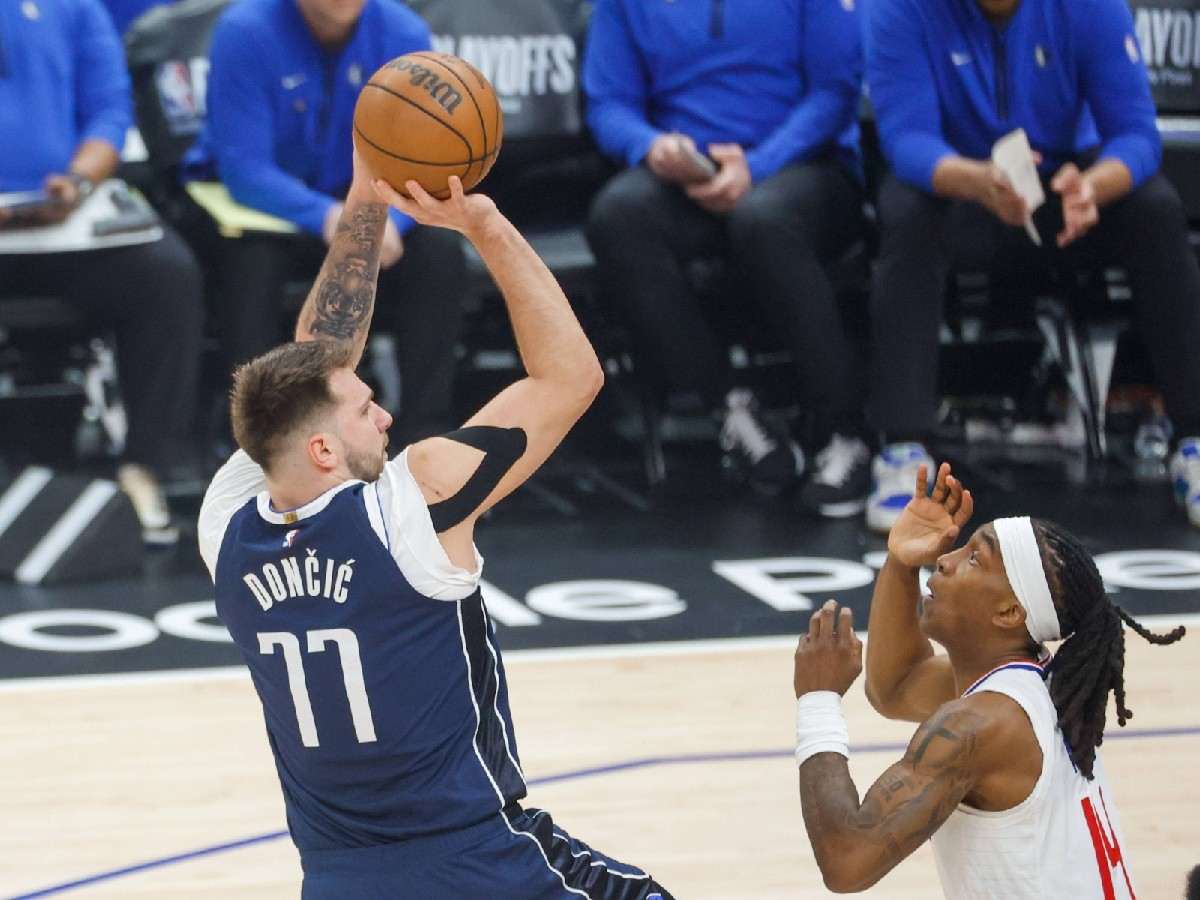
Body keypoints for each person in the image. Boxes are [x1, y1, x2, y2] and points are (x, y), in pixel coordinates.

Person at [197, 153, 673, 898]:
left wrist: (364, 192)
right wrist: (485, 225)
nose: (385, 413)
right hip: (479, 862)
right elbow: (569, 380)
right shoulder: (411, 502)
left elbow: (318, 364)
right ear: (324, 449)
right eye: (365, 409)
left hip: (336, 877)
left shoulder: (226, 521)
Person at [864, 0, 1200, 532]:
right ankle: (904, 447)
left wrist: (1094, 186)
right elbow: (906, 141)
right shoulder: (903, 9)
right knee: (904, 209)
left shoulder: (1090, 7)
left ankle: (1194, 438)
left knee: (1154, 207)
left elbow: (1137, 135)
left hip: (1065, 189)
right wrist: (976, 180)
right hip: (964, 185)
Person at [790, 462, 1186, 895]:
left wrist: (818, 700)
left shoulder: (982, 726)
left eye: (974, 558)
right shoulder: (1027, 685)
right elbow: (897, 686)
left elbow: (847, 861)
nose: (944, 559)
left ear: (1009, 613)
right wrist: (902, 563)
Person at [582, 0, 870, 511]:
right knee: (618, 216)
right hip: (687, 170)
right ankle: (732, 409)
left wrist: (757, 166)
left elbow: (835, 92)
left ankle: (840, 432)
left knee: (762, 218)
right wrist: (652, 147)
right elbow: (608, 102)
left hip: (803, 165)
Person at [185, 0, 466, 444]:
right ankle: (259, 440)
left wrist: (389, 218)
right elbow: (245, 169)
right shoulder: (245, 30)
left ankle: (427, 436)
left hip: (368, 200)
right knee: (251, 259)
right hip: (275, 208)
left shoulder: (404, 34)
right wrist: (333, 217)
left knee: (438, 250)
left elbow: (424, 159)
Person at [0, 0, 204, 542]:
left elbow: (110, 109)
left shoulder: (74, 6)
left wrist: (79, 178)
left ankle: (148, 463)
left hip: (61, 210)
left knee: (166, 274)